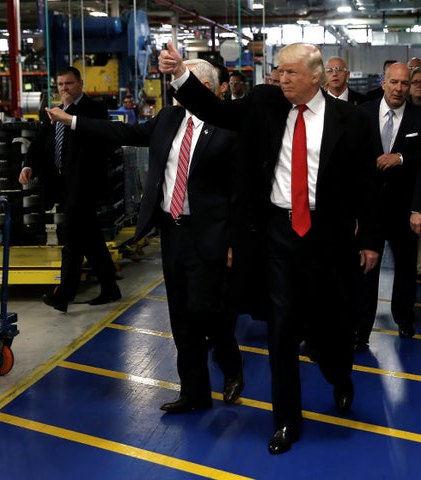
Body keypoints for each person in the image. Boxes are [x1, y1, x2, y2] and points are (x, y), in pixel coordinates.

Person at [158, 41, 383, 454]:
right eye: (279, 71)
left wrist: (369, 240)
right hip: (277, 234)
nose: (280, 78)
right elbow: (218, 112)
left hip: (328, 236)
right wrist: (179, 75)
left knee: (330, 328)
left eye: (290, 73)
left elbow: (368, 186)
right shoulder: (265, 102)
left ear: (315, 77)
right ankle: (286, 421)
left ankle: (340, 376)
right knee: (280, 330)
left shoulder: (350, 120)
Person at [45, 58, 245, 411]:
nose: (176, 89)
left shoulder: (228, 126)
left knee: (207, 311)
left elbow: (240, 191)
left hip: (210, 233)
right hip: (174, 232)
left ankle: (232, 367)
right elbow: (123, 133)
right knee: (181, 315)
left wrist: (234, 240)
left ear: (209, 89)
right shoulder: (169, 119)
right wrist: (72, 120)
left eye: (185, 83)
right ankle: (194, 393)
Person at [19, 66, 121, 312]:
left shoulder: (94, 110)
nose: (64, 88)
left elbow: (99, 140)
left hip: (84, 186)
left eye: (69, 83)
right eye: (61, 84)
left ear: (80, 84)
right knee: (92, 239)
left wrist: (69, 116)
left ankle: (64, 295)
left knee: (73, 241)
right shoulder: (54, 113)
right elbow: (40, 143)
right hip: (62, 187)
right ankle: (110, 288)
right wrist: (28, 166)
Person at [355, 62, 421, 351]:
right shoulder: (360, 114)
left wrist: (402, 158)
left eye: (404, 84)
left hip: (403, 209)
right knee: (365, 270)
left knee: (406, 270)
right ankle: (361, 330)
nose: (398, 88)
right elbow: (350, 163)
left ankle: (404, 319)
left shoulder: (420, 118)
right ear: (383, 82)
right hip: (367, 210)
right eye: (393, 82)